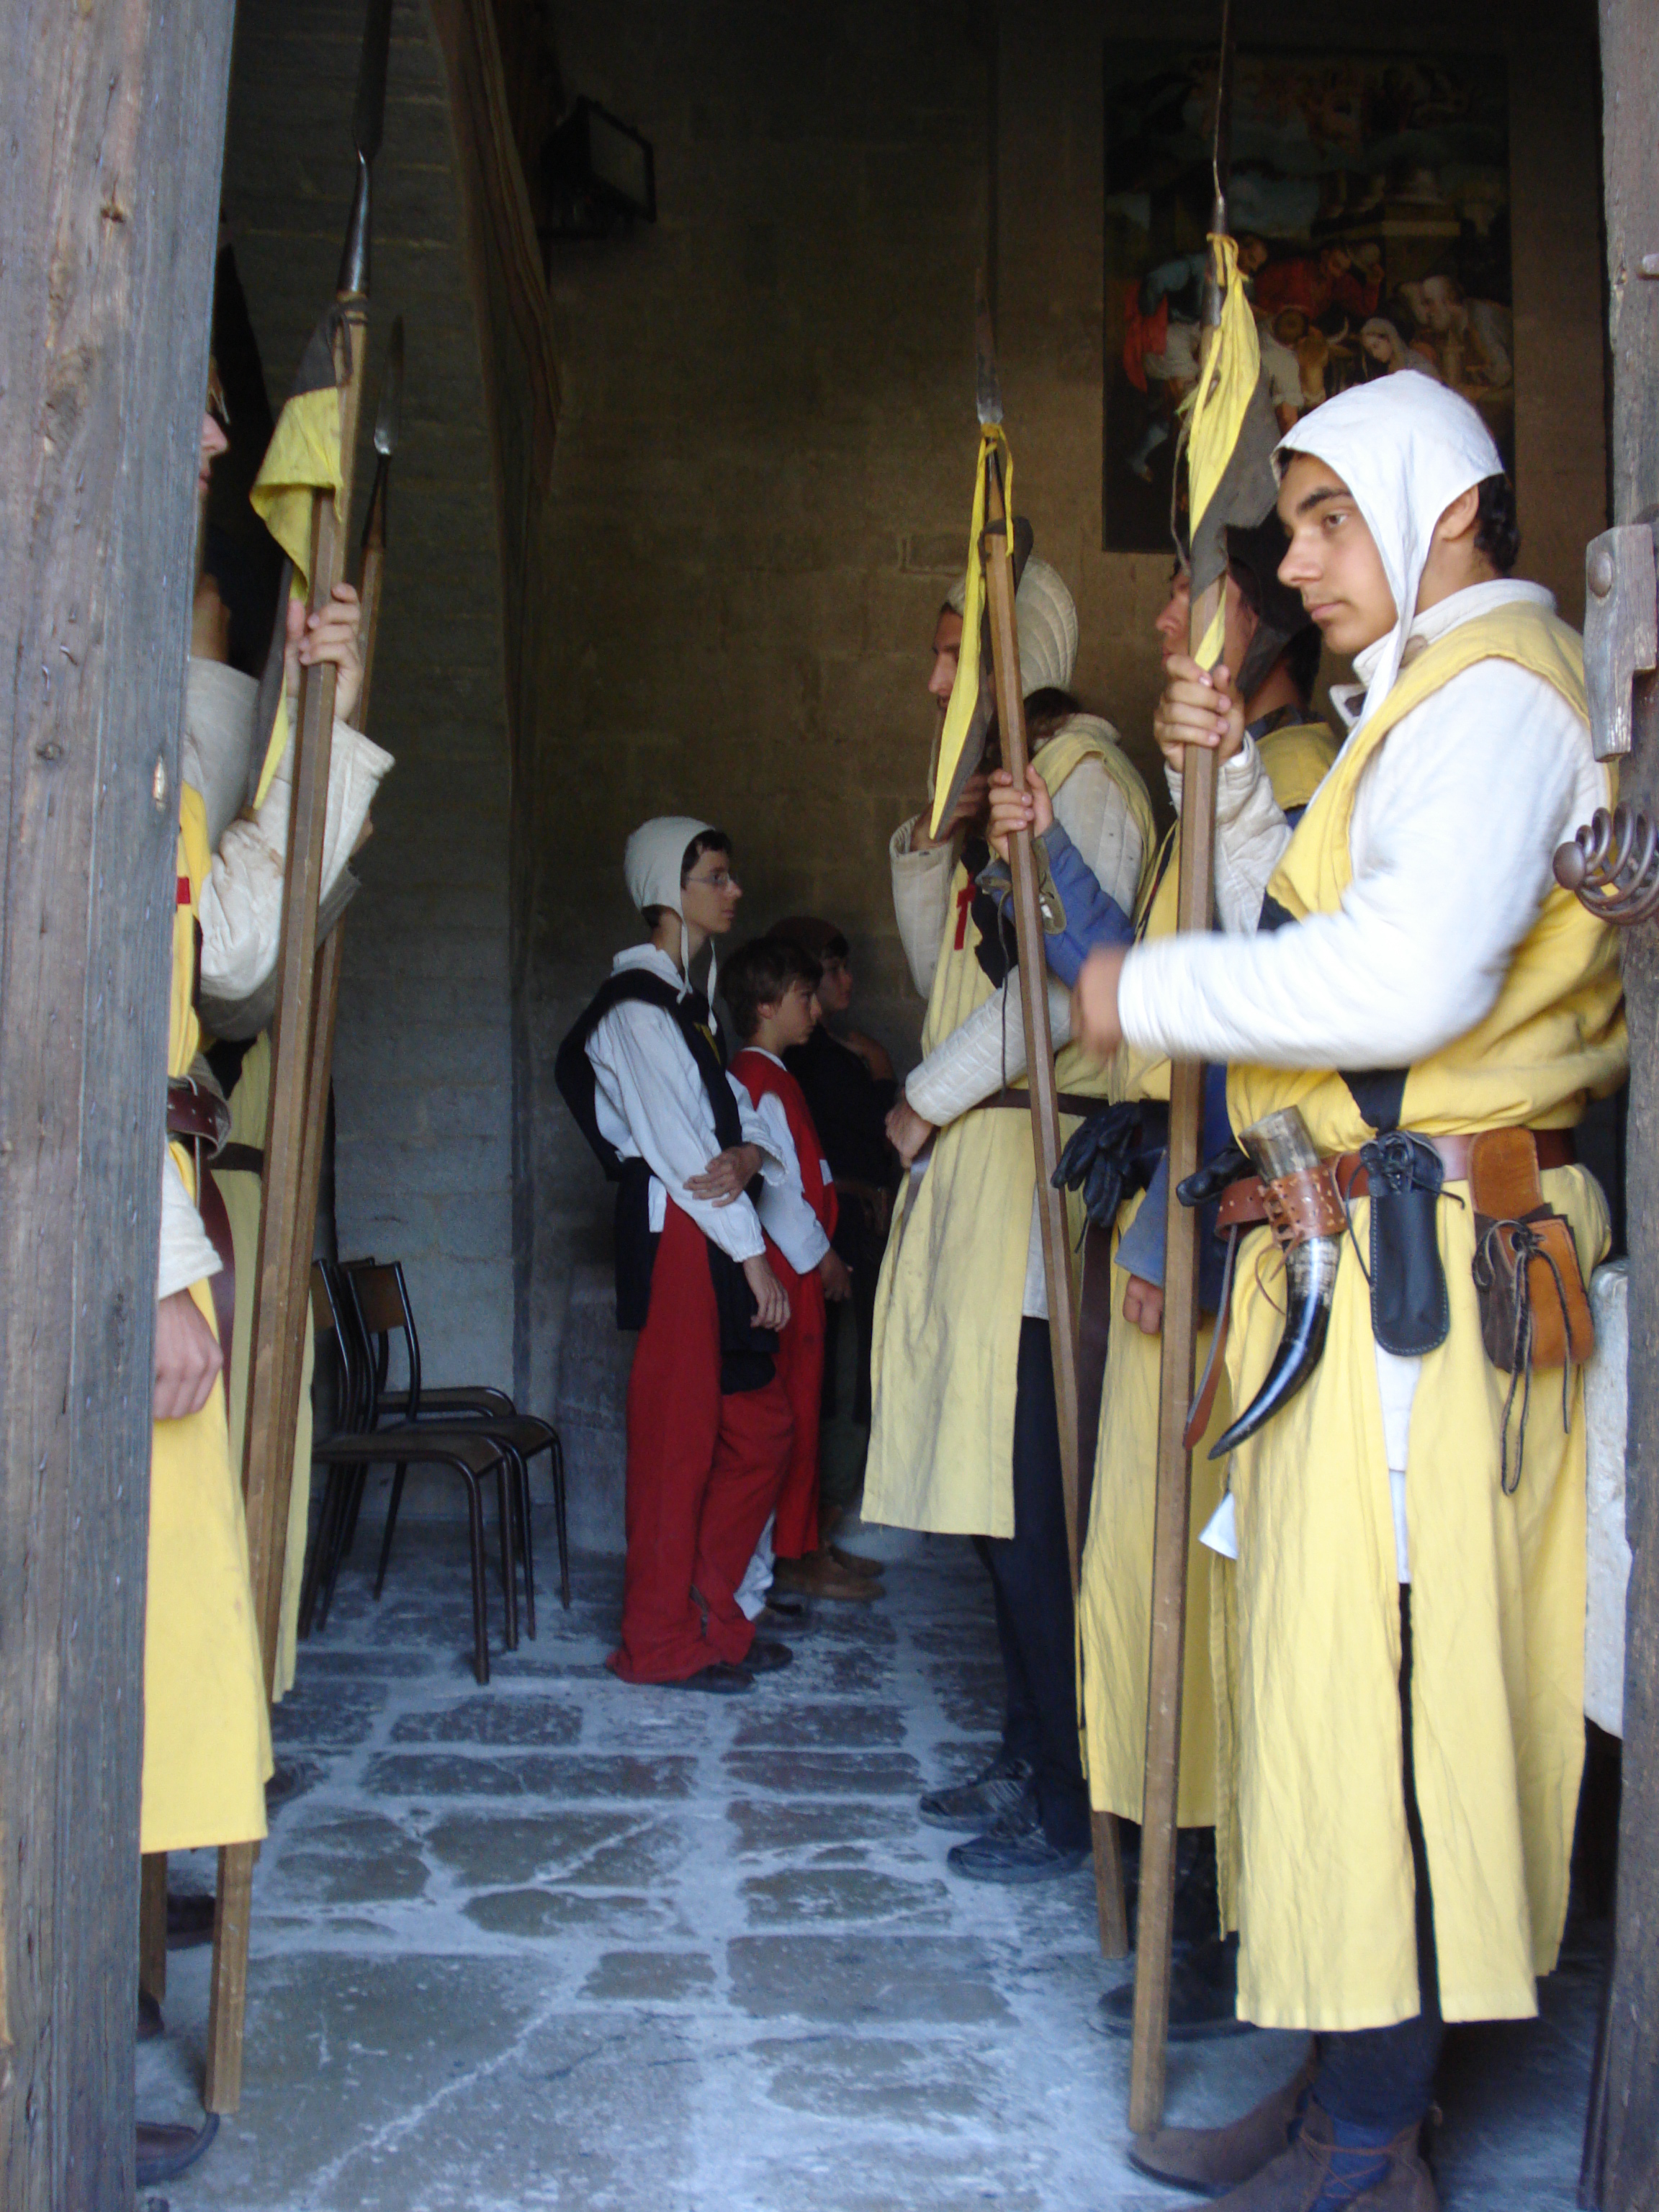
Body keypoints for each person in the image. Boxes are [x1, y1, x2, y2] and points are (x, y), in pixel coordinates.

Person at [1069, 375, 1624, 2208]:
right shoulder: (1422, 702)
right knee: (1331, 1675)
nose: (1295, 564)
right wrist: (1220, 777)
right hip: (1355, 1255)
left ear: (1442, 502)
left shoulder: (1499, 694)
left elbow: (1400, 979)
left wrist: (1142, 993)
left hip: (1426, 1271)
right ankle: (1337, 2091)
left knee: (1392, 1691)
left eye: (1326, 518)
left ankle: (1375, 2139)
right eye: (1295, 524)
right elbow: (1311, 934)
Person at [986, 520, 1335, 2036]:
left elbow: (1249, 1037)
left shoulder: (1298, 780)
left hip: (1222, 1241)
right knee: (1145, 1579)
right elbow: (1141, 971)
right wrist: (1040, 855)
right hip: (1176, 1227)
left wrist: (1163, 1238)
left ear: (1244, 618)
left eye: (1185, 594)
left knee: (1199, 1587)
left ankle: (1220, 1910)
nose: (1159, 616)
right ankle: (1173, 1891)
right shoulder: (1221, 782)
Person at [868, 555, 1157, 1882]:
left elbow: (1057, 995)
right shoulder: (1000, 787)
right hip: (980, 1174)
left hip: (1029, 1175)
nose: (934, 679)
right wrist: (930, 844)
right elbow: (949, 973)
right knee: (994, 1501)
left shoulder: (1084, 780)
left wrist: (924, 1099)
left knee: (1037, 1503)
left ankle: (1069, 1782)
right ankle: (1028, 1742)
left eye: (955, 653)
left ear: (1013, 659)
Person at [556, 819, 798, 1692]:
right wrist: (754, 1256)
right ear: (670, 886)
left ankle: (707, 1607)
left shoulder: (688, 1007)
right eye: (716, 877)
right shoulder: (634, 1009)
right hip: (681, 1236)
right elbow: (679, 1150)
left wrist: (754, 1154)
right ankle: (659, 1640)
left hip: (712, 1227)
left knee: (759, 1429)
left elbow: (737, 1116)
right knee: (676, 1446)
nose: (734, 891)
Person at [720, 938, 866, 1605]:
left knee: (805, 1409)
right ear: (765, 1006)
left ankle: (798, 1544)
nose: (816, 1010)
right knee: (796, 1414)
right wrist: (822, 1257)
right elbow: (780, 1194)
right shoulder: (759, 1082)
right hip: (789, 1273)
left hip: (796, 1269)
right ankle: (790, 1553)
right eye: (804, 998)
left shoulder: (774, 1076)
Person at [767, 916, 897, 1473]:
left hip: (842, 1226)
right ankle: (828, 1499)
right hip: (830, 1231)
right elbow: (881, 1129)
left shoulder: (828, 1053)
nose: (847, 981)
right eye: (832, 970)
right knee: (839, 1371)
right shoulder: (812, 1060)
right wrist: (882, 1072)